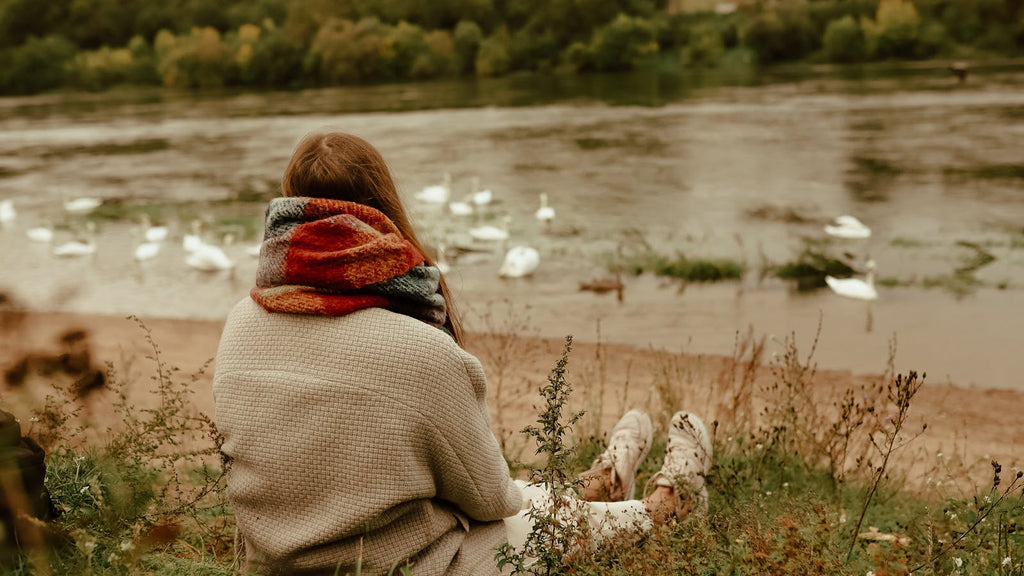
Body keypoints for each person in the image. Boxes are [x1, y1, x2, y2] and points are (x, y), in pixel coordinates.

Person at [212, 131, 712, 576]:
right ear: (385, 206)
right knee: (530, 514)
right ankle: (670, 503)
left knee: (500, 498)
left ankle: (595, 485)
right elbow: (490, 499)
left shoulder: (238, 324)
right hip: (418, 565)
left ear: (289, 207)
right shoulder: (421, 349)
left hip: (276, 565)